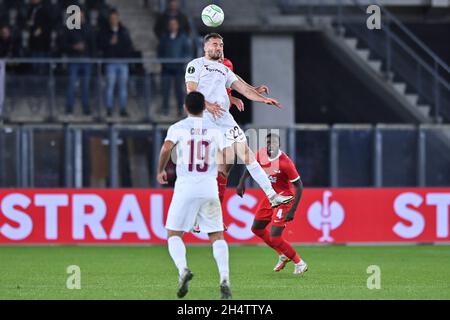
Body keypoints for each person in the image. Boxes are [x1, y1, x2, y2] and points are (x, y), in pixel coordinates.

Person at [185, 33, 293, 208]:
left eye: (220, 45)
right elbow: (191, 91)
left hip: (224, 119)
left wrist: (262, 99)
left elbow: (243, 88)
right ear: (205, 47)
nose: (218, 47)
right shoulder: (195, 65)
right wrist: (207, 104)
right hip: (204, 118)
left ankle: (272, 195)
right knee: (208, 168)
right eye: (214, 44)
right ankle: (199, 212)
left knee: (246, 154)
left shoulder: (224, 69)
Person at [157, 91, 232, 299]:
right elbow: (229, 155)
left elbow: (165, 149)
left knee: (174, 234)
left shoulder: (178, 128)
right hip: (209, 188)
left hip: (185, 188)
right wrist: (223, 171)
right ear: (204, 107)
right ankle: (224, 278)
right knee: (216, 236)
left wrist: (161, 170)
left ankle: (183, 270)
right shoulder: (215, 130)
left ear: (185, 107)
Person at [237, 133, 308, 275]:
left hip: (284, 199)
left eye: (274, 143)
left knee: (275, 236)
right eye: (268, 143)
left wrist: (293, 210)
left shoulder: (285, 163)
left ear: (279, 145)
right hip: (270, 197)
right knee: (256, 229)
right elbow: (251, 167)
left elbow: (299, 186)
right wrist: (241, 182)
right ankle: (282, 254)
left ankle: (299, 262)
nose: (271, 145)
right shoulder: (261, 154)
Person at [99, 8, 134, 117]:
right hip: (110, 63)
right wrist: (110, 43)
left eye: (115, 18)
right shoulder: (105, 32)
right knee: (110, 86)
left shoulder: (124, 31)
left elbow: (128, 46)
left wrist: (119, 46)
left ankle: (122, 109)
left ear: (118, 19)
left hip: (122, 62)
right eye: (112, 18)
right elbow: (102, 46)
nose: (113, 20)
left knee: (122, 87)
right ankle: (109, 108)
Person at [62, 9, 96, 115]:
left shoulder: (89, 29)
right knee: (71, 84)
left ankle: (86, 108)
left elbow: (93, 45)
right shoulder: (70, 29)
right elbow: (63, 45)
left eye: (81, 16)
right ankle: (69, 107)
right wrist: (74, 47)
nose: (80, 18)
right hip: (74, 60)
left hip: (86, 60)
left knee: (85, 85)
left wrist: (91, 57)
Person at [158, 18, 192, 116]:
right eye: (171, 24)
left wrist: (182, 61)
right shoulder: (164, 37)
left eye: (174, 24)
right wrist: (163, 61)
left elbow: (187, 51)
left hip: (178, 68)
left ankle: (180, 109)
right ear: (168, 26)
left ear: (177, 26)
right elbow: (160, 51)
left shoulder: (183, 37)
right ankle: (165, 109)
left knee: (179, 90)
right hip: (166, 68)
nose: (172, 26)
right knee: (165, 89)